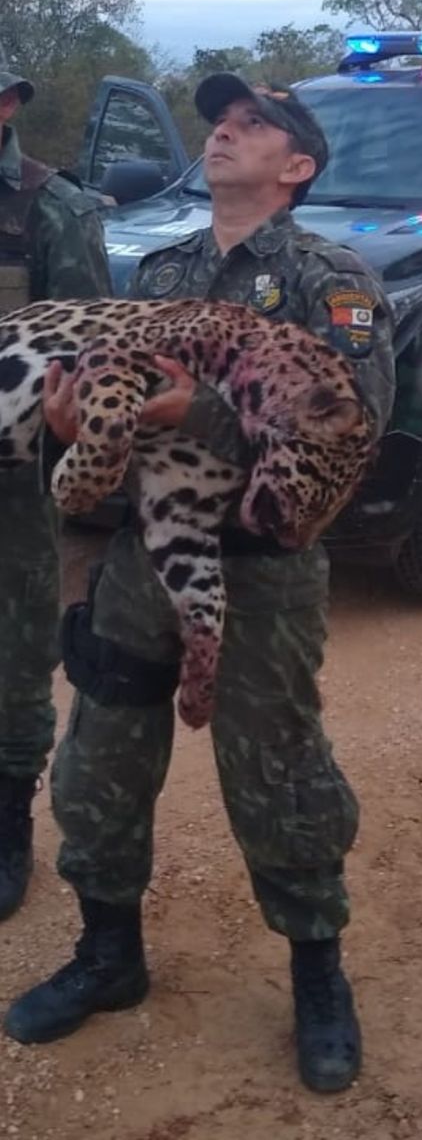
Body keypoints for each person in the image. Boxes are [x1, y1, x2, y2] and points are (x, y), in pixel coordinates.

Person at [4, 74, 396, 1094]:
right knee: (101, 764)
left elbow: (343, 438)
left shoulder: (332, 280)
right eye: (220, 118)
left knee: (279, 776)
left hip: (262, 574)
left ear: (296, 167)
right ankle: (108, 956)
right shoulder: (161, 266)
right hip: (145, 555)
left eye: (254, 124)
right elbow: (110, 415)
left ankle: (317, 972)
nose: (223, 128)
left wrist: (195, 419)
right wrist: (74, 456)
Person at [0, 69, 112, 922]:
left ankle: (7, 827)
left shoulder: (52, 210)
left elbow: (90, 351)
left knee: (12, 656)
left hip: (10, 479)